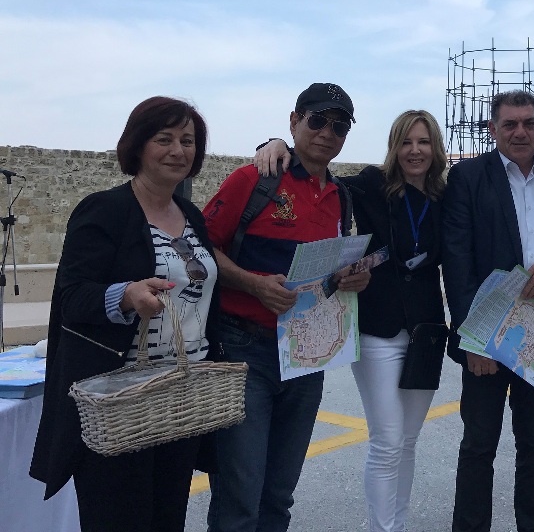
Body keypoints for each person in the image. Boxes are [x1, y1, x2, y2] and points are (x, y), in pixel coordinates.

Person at [30, 97, 221, 532]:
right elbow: (71, 296)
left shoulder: (191, 216)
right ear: (137, 145)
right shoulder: (105, 209)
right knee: (118, 518)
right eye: (164, 139)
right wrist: (126, 295)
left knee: (167, 517)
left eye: (188, 141)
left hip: (181, 395)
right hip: (121, 399)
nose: (178, 150)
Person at [255, 109, 448, 532]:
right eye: (406, 142)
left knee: (408, 442)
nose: (415, 151)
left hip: (427, 331)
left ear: (436, 148)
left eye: (423, 142)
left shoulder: (443, 198)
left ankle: (396, 524)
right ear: (394, 147)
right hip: (378, 328)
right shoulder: (371, 184)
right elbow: (317, 173)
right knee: (387, 439)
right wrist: (277, 144)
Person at [203, 83, 370, 532]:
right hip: (245, 351)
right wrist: (253, 284)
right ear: (294, 121)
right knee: (240, 497)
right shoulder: (253, 180)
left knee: (278, 496)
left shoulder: (341, 195)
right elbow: (199, 247)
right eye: (317, 120)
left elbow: (329, 268)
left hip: (305, 359)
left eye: (339, 126)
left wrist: (352, 278)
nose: (327, 133)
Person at [442, 89, 534, 532]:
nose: (520, 132)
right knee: (478, 446)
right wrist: (474, 340)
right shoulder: (468, 177)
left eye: (529, 123)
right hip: (486, 336)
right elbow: (457, 262)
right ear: (493, 129)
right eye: (509, 124)